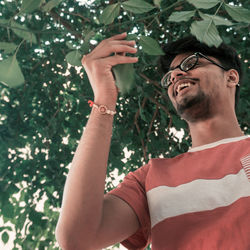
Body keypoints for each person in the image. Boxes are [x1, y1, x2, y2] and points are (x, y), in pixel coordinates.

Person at [55, 32, 250, 250]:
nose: (175, 75)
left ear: (231, 77)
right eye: (169, 76)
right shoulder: (150, 178)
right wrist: (104, 98)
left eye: (191, 62)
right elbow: (78, 238)